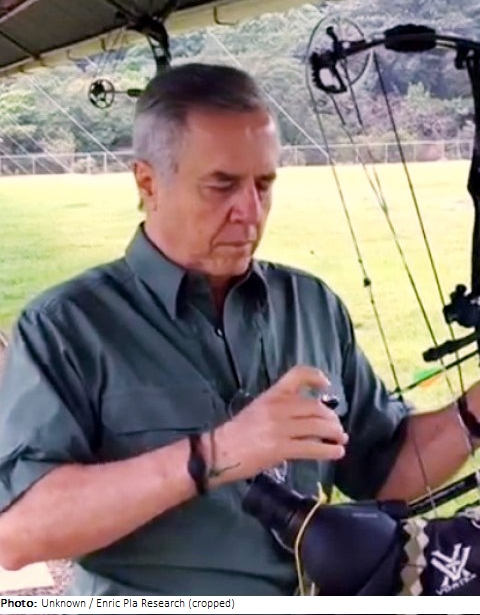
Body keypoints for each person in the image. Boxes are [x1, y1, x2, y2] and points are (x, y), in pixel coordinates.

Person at [0, 63, 479, 597]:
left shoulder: (311, 305)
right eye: (222, 185)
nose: (250, 212)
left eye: (264, 185)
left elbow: (386, 468)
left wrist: (474, 410)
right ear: (148, 182)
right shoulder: (67, 328)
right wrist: (216, 452)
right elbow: (18, 533)